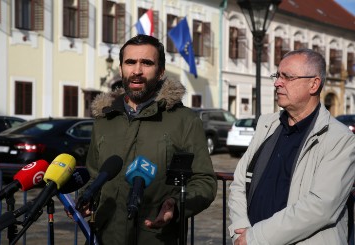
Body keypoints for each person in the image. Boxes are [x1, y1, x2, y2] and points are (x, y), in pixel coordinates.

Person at [79, 34, 217, 245]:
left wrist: (177, 205)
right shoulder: (104, 120)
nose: (137, 71)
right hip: (105, 237)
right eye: (130, 62)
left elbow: (204, 181)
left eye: (147, 63)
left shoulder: (185, 120)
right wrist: (87, 197)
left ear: (160, 71)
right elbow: (94, 175)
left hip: (157, 238)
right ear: (121, 68)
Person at [228, 48, 355, 245]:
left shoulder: (340, 139)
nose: (277, 83)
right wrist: (240, 231)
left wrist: (256, 237)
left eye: (287, 77)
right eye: (277, 75)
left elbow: (320, 207)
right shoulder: (266, 125)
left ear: (313, 84)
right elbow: (238, 183)